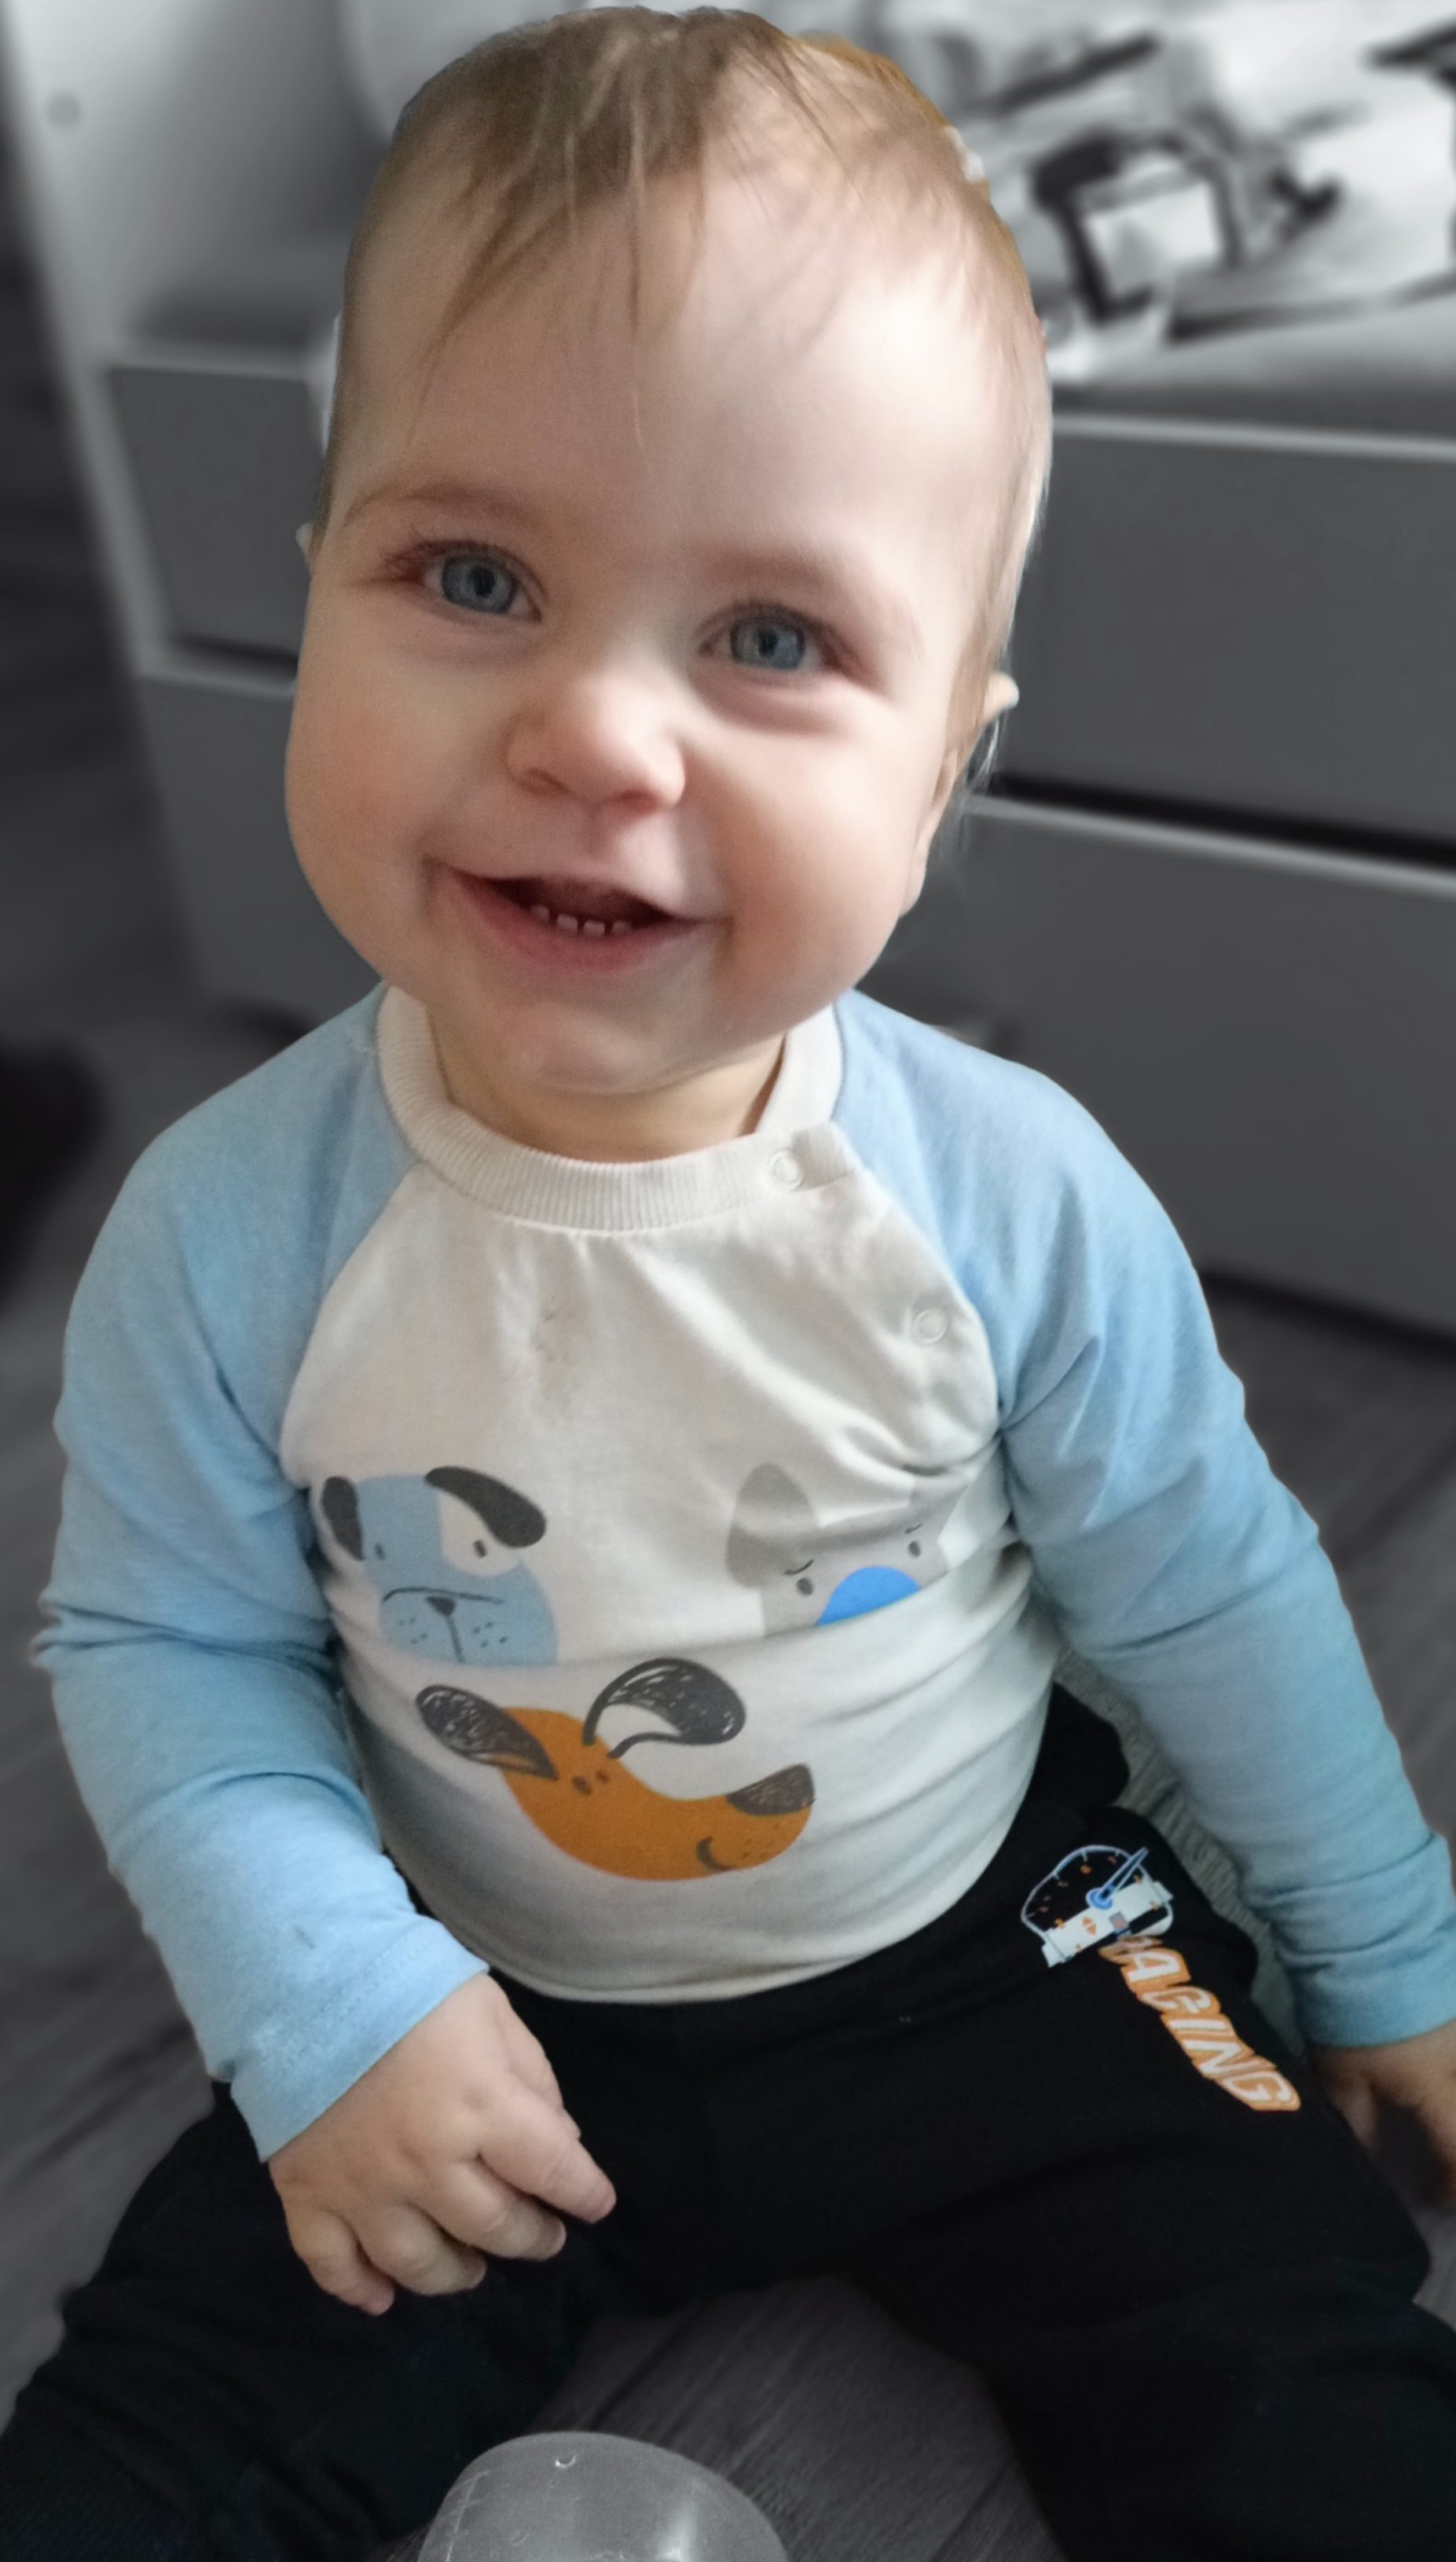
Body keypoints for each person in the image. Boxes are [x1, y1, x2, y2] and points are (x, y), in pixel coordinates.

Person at [3, 11, 1456, 2559]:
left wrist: (1393, 1953)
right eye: (473, 578)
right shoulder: (232, 1224)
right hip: (470, 1982)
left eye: (770, 636)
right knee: (163, 2429)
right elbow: (165, 1643)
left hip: (1000, 1945)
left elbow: (1207, 1578)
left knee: (1295, 2354)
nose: (594, 730)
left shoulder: (1004, 1193)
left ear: (948, 760)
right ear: (315, 584)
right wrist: (332, 2000)